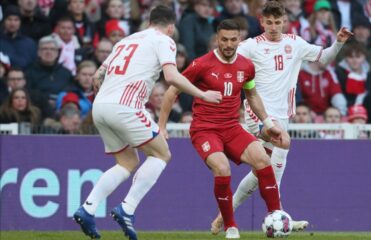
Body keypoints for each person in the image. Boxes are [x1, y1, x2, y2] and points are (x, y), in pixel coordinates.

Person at [72, 5, 221, 240]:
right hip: (126, 105)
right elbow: (171, 77)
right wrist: (203, 95)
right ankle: (126, 209)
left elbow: (97, 76)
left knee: (127, 162)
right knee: (162, 154)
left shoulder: (126, 40)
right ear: (171, 26)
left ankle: (88, 208)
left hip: (100, 107)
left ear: (149, 21)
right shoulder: (164, 40)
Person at [210, 1, 353, 234]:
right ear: (262, 22)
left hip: (283, 114)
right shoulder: (251, 46)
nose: (274, 27)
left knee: (260, 171)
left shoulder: (295, 43)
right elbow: (224, 57)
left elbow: (324, 58)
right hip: (258, 114)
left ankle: (223, 217)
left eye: (278, 22)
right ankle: (277, 213)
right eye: (269, 22)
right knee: (283, 140)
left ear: (284, 21)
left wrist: (338, 42)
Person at [158, 19, 288, 239]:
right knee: (222, 168)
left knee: (263, 161)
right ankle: (230, 226)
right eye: (224, 40)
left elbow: (252, 95)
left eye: (233, 40)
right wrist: (161, 126)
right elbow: (172, 92)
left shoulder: (246, 66)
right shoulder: (201, 64)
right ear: (217, 39)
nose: (228, 44)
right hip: (205, 129)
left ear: (240, 39)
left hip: (231, 127)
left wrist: (268, 123)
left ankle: (277, 217)